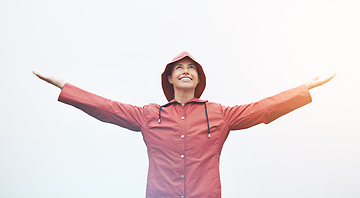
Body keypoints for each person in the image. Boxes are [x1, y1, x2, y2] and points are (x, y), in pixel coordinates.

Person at [33, 51, 335, 198]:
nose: (186, 71)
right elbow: (106, 108)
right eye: (180, 68)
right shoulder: (149, 115)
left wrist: (304, 87)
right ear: (170, 78)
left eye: (191, 68)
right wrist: (65, 86)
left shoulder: (219, 114)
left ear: (199, 78)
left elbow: (263, 108)